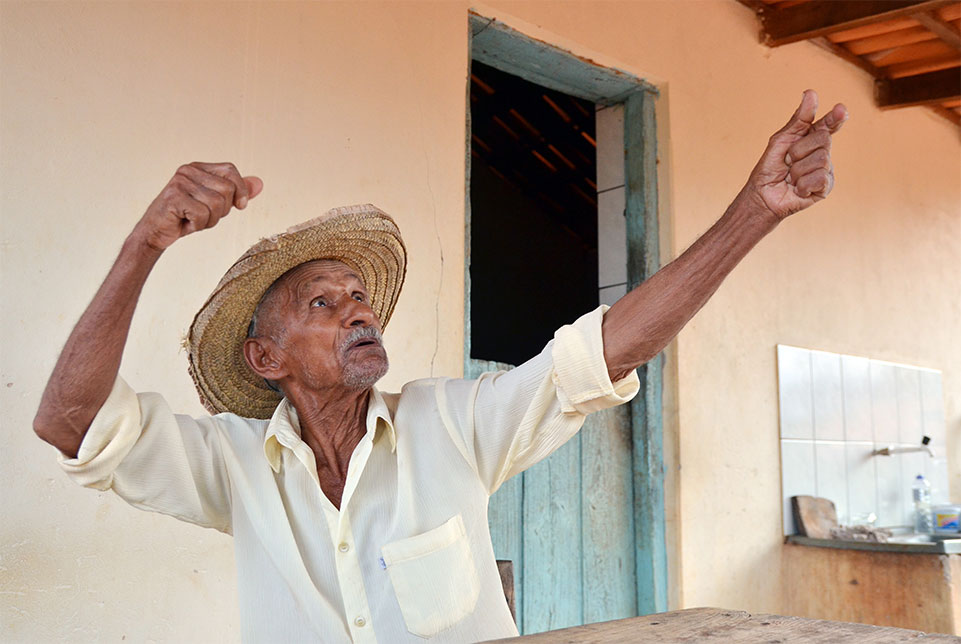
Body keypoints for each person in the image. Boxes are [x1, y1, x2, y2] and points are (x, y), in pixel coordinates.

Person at [34, 90, 847, 642]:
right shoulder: (232, 464)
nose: (358, 309)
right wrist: (147, 242)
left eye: (360, 296)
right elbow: (70, 423)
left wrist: (755, 210)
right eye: (323, 303)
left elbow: (609, 348)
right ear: (265, 356)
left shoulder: (450, 423)